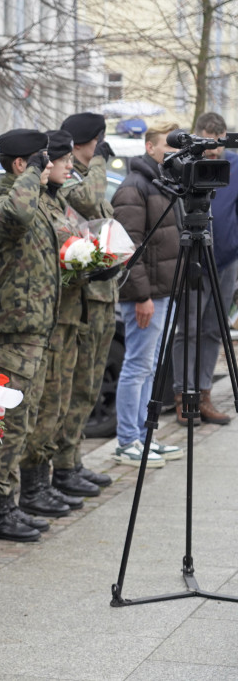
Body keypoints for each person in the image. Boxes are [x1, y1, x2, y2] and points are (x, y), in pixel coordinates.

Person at [0, 129, 60, 542]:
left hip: (34, 330)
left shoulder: (34, 196)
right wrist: (32, 176)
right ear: (21, 165)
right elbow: (15, 217)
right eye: (41, 161)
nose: (47, 169)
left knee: (21, 424)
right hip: (10, 333)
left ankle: (11, 504)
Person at [18, 130, 88, 519]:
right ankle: (33, 487)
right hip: (46, 318)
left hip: (63, 314)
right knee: (41, 408)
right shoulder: (31, 200)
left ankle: (43, 481)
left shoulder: (56, 199)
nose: (63, 169)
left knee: (57, 403)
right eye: (61, 163)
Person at [50, 113, 121, 496]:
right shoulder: (71, 178)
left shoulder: (82, 175)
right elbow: (91, 202)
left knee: (90, 387)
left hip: (101, 295)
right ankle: (63, 466)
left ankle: (72, 461)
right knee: (76, 388)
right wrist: (97, 163)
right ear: (88, 143)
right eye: (98, 143)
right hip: (82, 301)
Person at [110, 121, 183, 465]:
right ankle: (128, 440)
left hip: (164, 291)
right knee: (137, 366)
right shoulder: (134, 187)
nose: (174, 157)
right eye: (167, 151)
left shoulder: (166, 184)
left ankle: (143, 435)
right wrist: (141, 296)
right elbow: (130, 248)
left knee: (151, 366)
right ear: (150, 148)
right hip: (147, 295)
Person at [171, 112, 237, 427]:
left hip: (227, 259)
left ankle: (205, 393)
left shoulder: (236, 165)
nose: (212, 156)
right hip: (194, 257)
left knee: (214, 329)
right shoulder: (185, 163)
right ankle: (185, 396)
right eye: (208, 151)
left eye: (216, 151)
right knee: (189, 328)